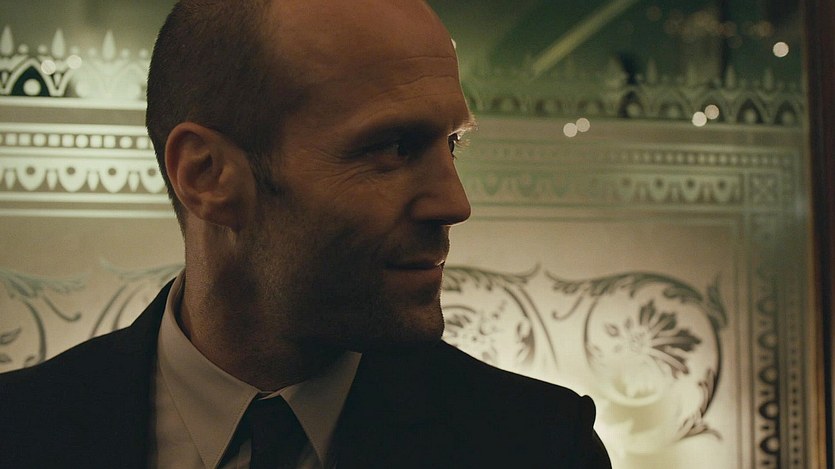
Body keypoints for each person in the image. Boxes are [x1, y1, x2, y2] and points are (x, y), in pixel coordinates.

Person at [0, 0, 611, 467]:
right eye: (394, 148)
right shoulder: (21, 432)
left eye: (451, 144)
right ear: (207, 175)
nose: (455, 203)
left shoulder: (536, 445)